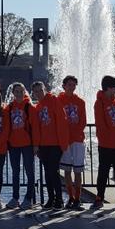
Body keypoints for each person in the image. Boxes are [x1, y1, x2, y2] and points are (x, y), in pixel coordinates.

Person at [31, 81, 69, 210]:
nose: (38, 93)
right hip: (43, 145)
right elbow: (36, 128)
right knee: (47, 173)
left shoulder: (54, 100)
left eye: (40, 90)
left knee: (53, 171)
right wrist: (36, 145)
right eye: (35, 91)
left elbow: (62, 121)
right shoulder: (38, 107)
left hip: (55, 144)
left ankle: (59, 199)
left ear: (45, 89)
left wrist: (63, 143)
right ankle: (51, 198)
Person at [93, 75, 115, 209]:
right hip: (106, 145)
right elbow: (100, 124)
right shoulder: (99, 103)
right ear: (108, 88)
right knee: (103, 172)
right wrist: (109, 138)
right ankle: (99, 198)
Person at [57, 76, 88, 210]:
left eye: (73, 84)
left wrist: (75, 134)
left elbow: (83, 121)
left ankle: (77, 198)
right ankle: (70, 197)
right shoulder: (58, 100)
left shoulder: (80, 102)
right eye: (69, 84)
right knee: (67, 170)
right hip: (64, 140)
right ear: (64, 86)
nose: (71, 87)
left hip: (77, 140)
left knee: (78, 171)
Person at [5, 83, 35, 209]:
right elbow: (7, 126)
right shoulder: (10, 107)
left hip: (27, 144)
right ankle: (15, 198)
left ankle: (29, 198)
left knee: (29, 172)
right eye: (16, 91)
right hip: (14, 144)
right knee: (15, 172)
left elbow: (35, 128)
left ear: (24, 92)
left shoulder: (29, 107)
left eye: (20, 91)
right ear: (13, 93)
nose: (18, 94)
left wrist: (36, 144)